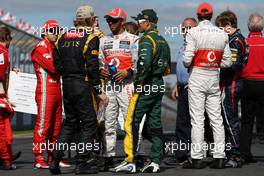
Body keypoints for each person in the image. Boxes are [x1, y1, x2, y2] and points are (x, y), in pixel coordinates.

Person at [49, 5, 108, 175]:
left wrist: (68, 75)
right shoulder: (91, 37)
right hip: (83, 85)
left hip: (66, 84)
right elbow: (92, 67)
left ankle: (55, 160)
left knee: (69, 123)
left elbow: (57, 65)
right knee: (89, 123)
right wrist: (99, 91)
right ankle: (82, 162)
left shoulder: (61, 37)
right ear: (91, 19)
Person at [113, 9, 171, 173]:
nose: (138, 24)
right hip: (159, 84)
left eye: (140, 22)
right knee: (155, 123)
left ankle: (130, 160)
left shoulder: (146, 39)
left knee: (131, 121)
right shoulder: (163, 40)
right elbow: (167, 69)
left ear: (148, 23)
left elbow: (143, 64)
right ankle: (155, 160)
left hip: (146, 84)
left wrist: (139, 82)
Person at [183, 2, 232, 169]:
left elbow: (186, 60)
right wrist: (212, 62)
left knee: (197, 119)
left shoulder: (193, 32)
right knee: (216, 119)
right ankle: (219, 157)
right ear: (211, 16)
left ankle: (196, 158)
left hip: (197, 77)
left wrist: (199, 59)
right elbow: (227, 62)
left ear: (198, 16)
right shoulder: (222, 33)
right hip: (213, 77)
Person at [99, 7, 139, 170]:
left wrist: (127, 72)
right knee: (109, 122)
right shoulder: (103, 40)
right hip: (109, 86)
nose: (110, 23)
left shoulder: (133, 39)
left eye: (114, 20)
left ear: (122, 21)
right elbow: (100, 62)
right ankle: (109, 156)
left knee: (128, 122)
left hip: (126, 86)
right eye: (108, 20)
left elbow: (138, 64)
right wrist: (100, 70)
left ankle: (134, 155)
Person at [31, 20, 70, 169]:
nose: (56, 33)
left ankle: (54, 157)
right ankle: (39, 157)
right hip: (45, 91)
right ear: (45, 32)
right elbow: (54, 68)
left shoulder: (55, 47)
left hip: (56, 91)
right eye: (53, 30)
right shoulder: (40, 48)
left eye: (58, 30)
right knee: (43, 125)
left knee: (56, 126)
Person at [215, 11, 248, 168]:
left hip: (232, 84)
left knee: (230, 120)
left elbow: (233, 65)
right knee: (230, 119)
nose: (219, 31)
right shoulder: (237, 39)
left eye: (220, 28)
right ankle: (234, 152)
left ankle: (236, 155)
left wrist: (215, 65)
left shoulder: (235, 41)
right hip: (231, 83)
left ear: (228, 26)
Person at [165, 18, 197, 166]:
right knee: (181, 123)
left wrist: (193, 82)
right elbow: (181, 68)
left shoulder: (198, 45)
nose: (186, 31)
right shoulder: (183, 46)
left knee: (194, 123)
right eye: (184, 28)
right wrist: (177, 84)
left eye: (189, 28)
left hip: (195, 88)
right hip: (182, 88)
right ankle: (181, 155)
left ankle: (193, 155)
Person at [240, 13, 264, 164]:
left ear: (248, 26)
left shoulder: (243, 43)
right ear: (261, 27)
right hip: (263, 83)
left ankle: (245, 153)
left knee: (247, 121)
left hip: (247, 83)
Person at [0, 26, 16, 170]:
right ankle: (5, 160)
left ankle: (6, 158)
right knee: (3, 130)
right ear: (7, 38)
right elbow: (1, 76)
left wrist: (13, 71)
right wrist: (4, 96)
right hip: (0, 97)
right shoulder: (2, 52)